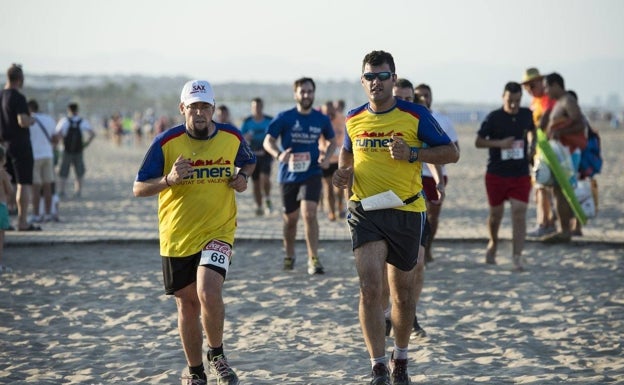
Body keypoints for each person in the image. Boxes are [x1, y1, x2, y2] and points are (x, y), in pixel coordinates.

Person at [332, 50, 459, 385]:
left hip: (405, 209)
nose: (376, 83)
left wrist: (413, 153)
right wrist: (343, 173)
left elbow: (452, 152)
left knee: (402, 294)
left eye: (383, 76)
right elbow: (346, 152)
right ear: (362, 81)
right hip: (365, 211)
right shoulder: (354, 117)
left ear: (393, 77)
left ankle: (400, 359)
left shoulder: (414, 114)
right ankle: (377, 366)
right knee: (369, 288)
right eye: (370, 77)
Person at [133, 80, 256, 385]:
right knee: (188, 306)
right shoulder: (166, 141)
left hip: (219, 229)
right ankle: (195, 371)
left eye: (205, 107)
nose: (199, 113)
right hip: (176, 235)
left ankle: (217, 354)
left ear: (213, 109)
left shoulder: (231, 136)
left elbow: (249, 162)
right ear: (182, 109)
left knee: (207, 291)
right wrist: (169, 179)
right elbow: (138, 188)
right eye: (193, 107)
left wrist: (242, 179)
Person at [389, 78, 445, 340]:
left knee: (418, 264)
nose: (403, 103)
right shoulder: (379, 120)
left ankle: (409, 314)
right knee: (383, 269)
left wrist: (437, 177)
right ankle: (389, 312)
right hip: (384, 202)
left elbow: (435, 152)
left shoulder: (418, 122)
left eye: (408, 99)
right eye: (398, 97)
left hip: (415, 200)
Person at [263, 77, 336, 275]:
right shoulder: (284, 117)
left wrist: (326, 157)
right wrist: (279, 154)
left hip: (312, 172)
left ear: (314, 93)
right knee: (291, 220)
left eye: (309, 91)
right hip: (288, 175)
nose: (306, 95)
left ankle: (313, 258)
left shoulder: (321, 119)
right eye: (302, 92)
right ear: (295, 94)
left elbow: (332, 141)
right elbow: (268, 141)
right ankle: (289, 255)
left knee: (309, 213)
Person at [475, 81, 535, 271]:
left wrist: (532, 144)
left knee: (519, 212)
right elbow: (478, 142)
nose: (514, 105)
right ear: (503, 97)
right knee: (496, 215)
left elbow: (532, 131)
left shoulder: (527, 115)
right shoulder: (494, 117)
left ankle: (517, 256)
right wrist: (500, 144)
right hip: (496, 173)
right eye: (510, 100)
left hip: (520, 173)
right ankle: (493, 243)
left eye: (517, 101)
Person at [414, 83, 459, 263]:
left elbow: (455, 150)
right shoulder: (410, 118)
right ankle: (419, 250)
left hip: (436, 174)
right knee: (419, 214)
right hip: (415, 173)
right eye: (419, 96)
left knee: (433, 216)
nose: (424, 99)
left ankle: (428, 248)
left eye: (427, 95)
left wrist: (434, 155)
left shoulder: (443, 120)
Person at [541, 72, 588, 244]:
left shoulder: (568, 100)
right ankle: (564, 229)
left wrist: (561, 132)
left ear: (556, 85)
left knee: (564, 189)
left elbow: (580, 122)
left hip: (568, 152)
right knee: (557, 190)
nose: (545, 90)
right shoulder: (559, 103)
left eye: (547, 86)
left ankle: (566, 230)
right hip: (562, 152)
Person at [521, 68, 557, 238]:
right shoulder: (534, 103)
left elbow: (543, 124)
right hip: (538, 150)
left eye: (532, 84)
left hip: (548, 149)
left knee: (543, 187)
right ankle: (547, 222)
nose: (529, 88)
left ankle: (545, 223)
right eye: (526, 86)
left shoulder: (548, 100)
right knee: (541, 187)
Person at [0, 63, 37, 231]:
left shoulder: (1, 95)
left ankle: (5, 220)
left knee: (6, 182)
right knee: (24, 183)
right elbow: (22, 121)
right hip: (20, 145)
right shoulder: (18, 97)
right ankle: (22, 222)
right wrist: (32, 120)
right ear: (20, 79)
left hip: (3, 145)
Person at [240, 97, 274, 216]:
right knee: (256, 183)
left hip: (266, 154)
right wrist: (246, 137)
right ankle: (259, 206)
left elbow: (275, 135)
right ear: (251, 108)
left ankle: (268, 199)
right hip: (252, 155)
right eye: (254, 107)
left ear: (262, 107)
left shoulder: (269, 120)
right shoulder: (247, 121)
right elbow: (240, 138)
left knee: (265, 178)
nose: (257, 109)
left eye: (259, 107)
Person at [27, 99, 59, 223]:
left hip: (34, 156)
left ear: (29, 109)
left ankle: (36, 214)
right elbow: (55, 138)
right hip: (48, 155)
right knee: (48, 186)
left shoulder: (28, 120)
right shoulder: (48, 119)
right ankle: (48, 213)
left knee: (36, 187)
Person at [55, 102, 95, 198]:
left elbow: (57, 134)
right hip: (78, 150)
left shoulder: (64, 121)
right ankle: (78, 191)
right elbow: (92, 133)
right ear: (77, 110)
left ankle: (62, 191)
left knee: (63, 172)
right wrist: (86, 144)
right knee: (79, 172)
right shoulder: (82, 121)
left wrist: (60, 143)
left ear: (68, 110)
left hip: (66, 150)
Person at [319, 100, 345, 221]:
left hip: (340, 159)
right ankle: (331, 212)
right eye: (325, 112)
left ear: (335, 110)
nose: (328, 114)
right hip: (326, 159)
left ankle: (340, 206)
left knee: (339, 189)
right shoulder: (321, 122)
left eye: (330, 112)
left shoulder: (343, 119)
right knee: (328, 189)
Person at [0, 144, 14, 272]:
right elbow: (9, 191)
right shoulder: (2, 173)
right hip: (1, 207)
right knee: (1, 236)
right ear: (3, 160)